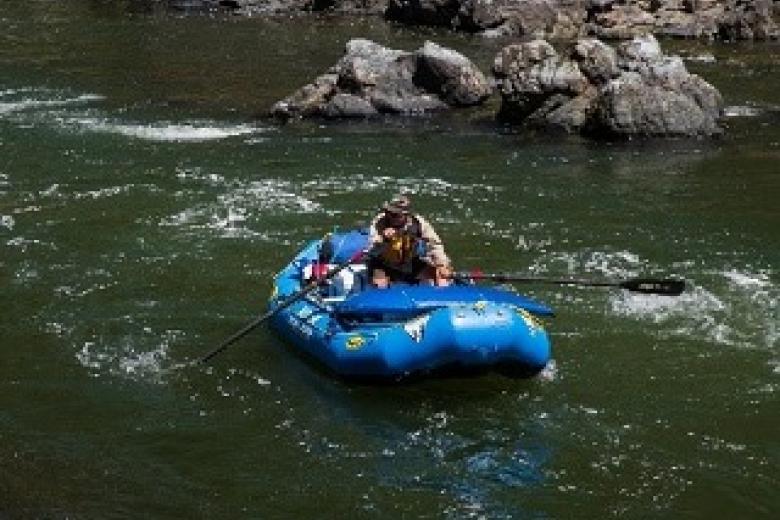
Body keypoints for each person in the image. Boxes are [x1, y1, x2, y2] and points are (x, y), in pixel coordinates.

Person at [368, 194, 452, 288]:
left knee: (440, 275)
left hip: (410, 263)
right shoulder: (379, 223)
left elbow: (434, 244)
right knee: (380, 284)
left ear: (406, 215)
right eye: (388, 212)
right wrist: (384, 240)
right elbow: (372, 249)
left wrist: (441, 264)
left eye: (395, 215)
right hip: (384, 264)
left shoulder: (418, 223)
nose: (390, 217)